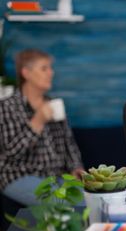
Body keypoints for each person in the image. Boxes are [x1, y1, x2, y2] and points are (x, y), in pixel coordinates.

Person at [0, 49, 84, 205]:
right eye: (44, 68)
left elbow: (68, 143)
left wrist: (76, 167)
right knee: (62, 204)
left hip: (56, 176)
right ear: (26, 73)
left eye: (50, 68)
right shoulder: (7, 107)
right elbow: (11, 153)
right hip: (19, 176)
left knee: (88, 201)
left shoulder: (53, 104)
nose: (51, 73)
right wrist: (37, 121)